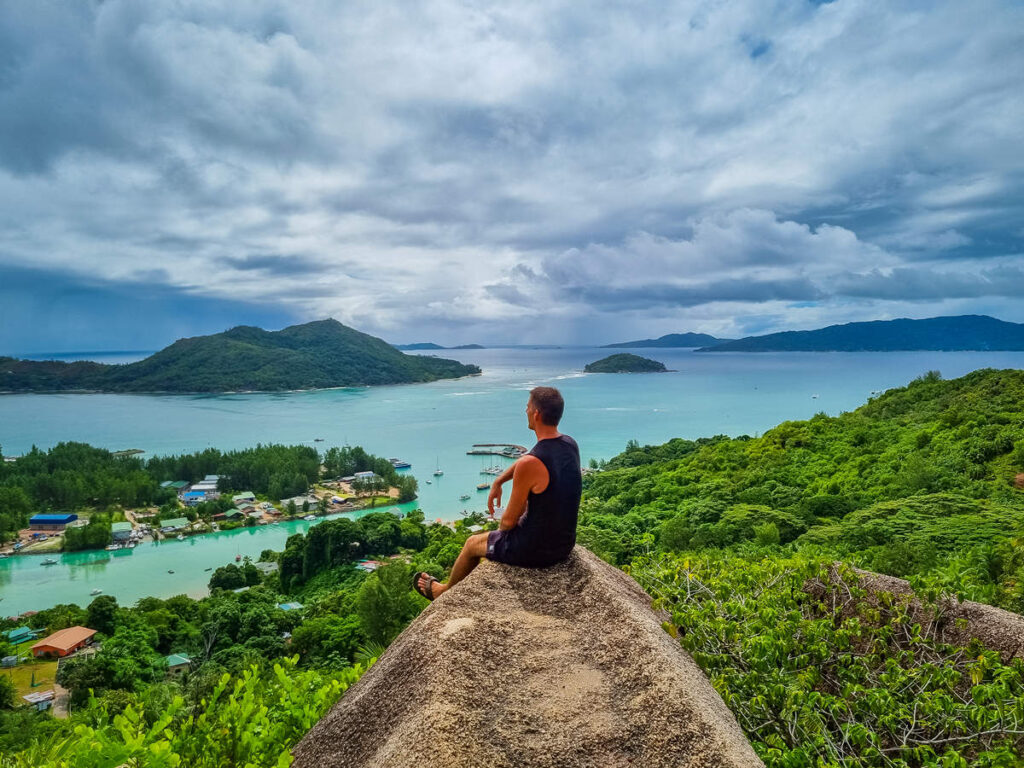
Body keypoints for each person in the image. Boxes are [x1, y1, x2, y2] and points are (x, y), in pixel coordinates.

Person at [413, 386, 582, 601]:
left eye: (528, 407)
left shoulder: (530, 463)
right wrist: (500, 479)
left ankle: (442, 592)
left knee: (472, 544)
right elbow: (530, 459)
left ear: (537, 414)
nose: (526, 411)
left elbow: (507, 524)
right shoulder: (569, 444)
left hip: (536, 551)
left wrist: (505, 518)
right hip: (564, 544)